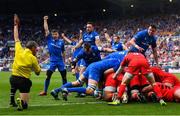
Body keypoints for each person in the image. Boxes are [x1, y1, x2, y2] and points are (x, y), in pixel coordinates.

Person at [10, 14, 41, 111]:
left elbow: (16, 38)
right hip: (24, 81)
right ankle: (21, 103)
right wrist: (35, 62)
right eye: (36, 48)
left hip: (13, 78)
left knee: (14, 83)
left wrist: (15, 25)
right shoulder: (32, 58)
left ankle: (12, 98)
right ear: (32, 48)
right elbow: (38, 72)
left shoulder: (19, 49)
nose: (37, 50)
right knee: (25, 106)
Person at [39, 16, 67, 96]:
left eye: (56, 34)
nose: (54, 35)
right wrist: (45, 20)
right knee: (48, 76)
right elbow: (46, 29)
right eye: (53, 34)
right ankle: (45, 91)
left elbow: (63, 52)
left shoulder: (61, 42)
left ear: (58, 35)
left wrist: (64, 61)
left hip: (60, 62)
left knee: (64, 77)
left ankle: (65, 91)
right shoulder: (49, 39)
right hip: (52, 62)